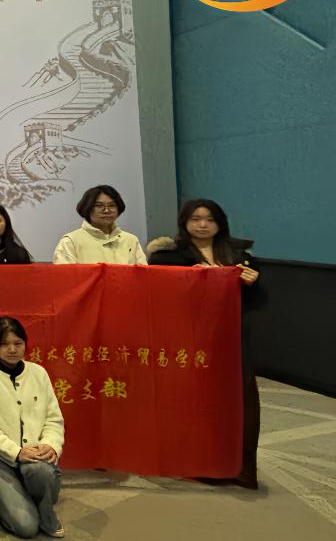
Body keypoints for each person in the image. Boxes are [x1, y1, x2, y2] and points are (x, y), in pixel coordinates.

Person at [148, 199, 261, 487]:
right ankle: (196, 462)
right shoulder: (168, 256)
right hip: (189, 339)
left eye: (210, 219)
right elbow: (156, 296)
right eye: (195, 219)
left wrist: (253, 283)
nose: (202, 225)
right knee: (193, 400)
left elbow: (258, 302)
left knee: (239, 401)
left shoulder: (239, 256)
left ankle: (238, 466)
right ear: (184, 222)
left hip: (231, 338)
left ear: (220, 223)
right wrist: (188, 280)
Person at [0, 317, 65, 538]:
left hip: (35, 455)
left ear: (25, 344)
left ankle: (46, 510)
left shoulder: (38, 372)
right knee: (26, 527)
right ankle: (2, 494)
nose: (12, 349)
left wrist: (50, 444)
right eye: (4, 344)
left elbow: (53, 418)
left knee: (41, 471)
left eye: (18, 343)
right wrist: (16, 452)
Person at [53, 185, 147, 265]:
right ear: (87, 208)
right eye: (99, 205)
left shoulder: (131, 240)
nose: (106, 210)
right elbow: (65, 277)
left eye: (112, 205)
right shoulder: (70, 242)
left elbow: (143, 276)